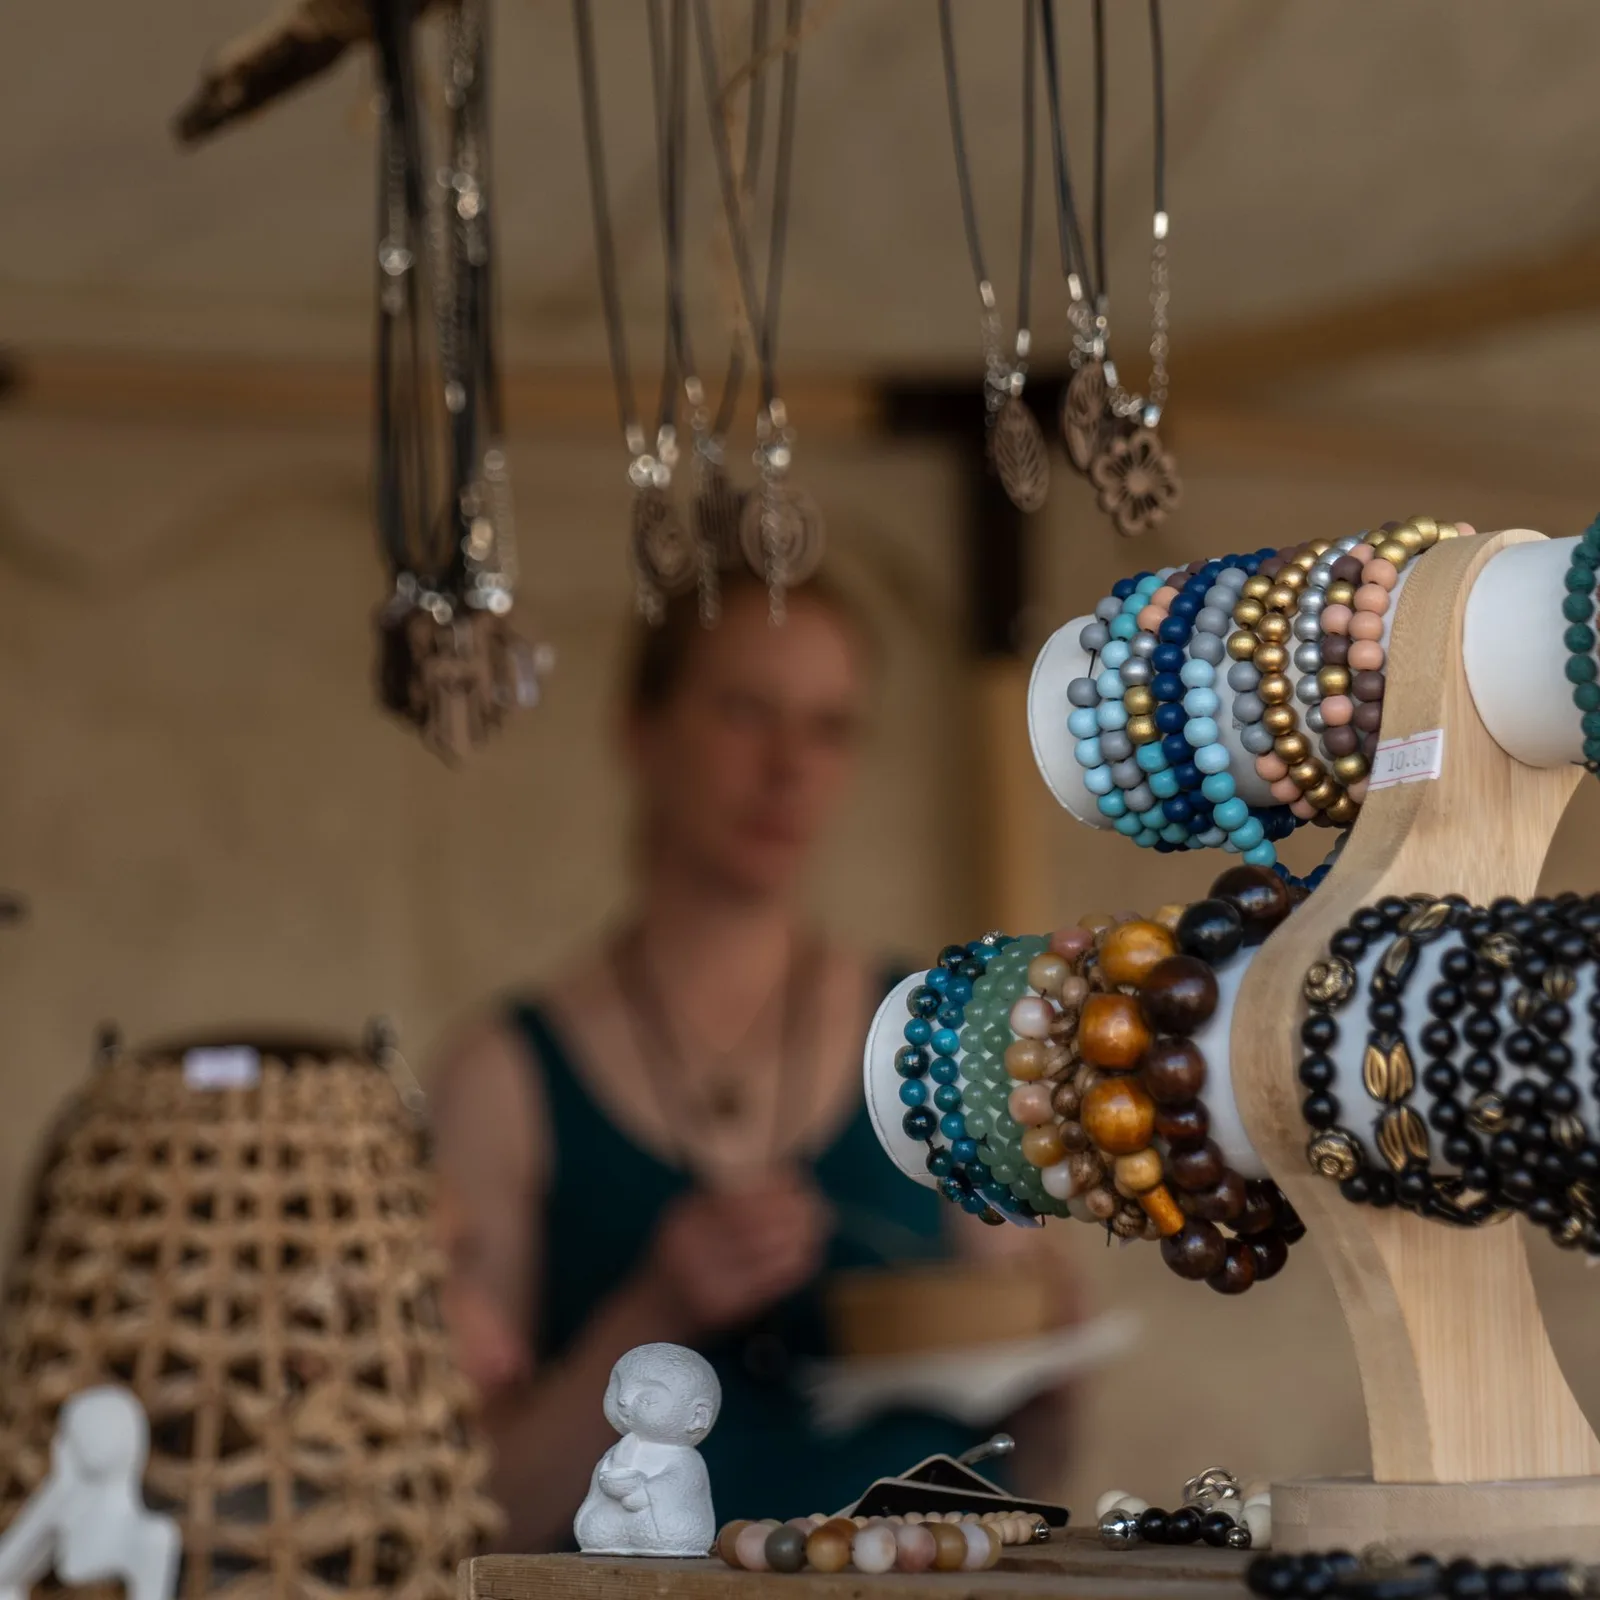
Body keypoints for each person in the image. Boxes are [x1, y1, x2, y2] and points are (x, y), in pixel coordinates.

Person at [429, 570, 1076, 1552]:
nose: (789, 767)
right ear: (640, 731)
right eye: (745, 711)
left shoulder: (932, 1033)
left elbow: (1031, 1456)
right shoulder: (504, 1075)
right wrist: (656, 1309)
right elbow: (476, 1514)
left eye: (829, 727)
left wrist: (1055, 1353)